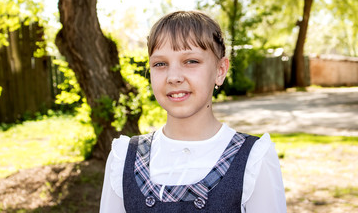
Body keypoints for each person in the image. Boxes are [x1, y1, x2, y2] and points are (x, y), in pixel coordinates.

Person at [100, 11, 286, 213]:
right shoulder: (123, 157)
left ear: (220, 70)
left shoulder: (254, 158)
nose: (174, 77)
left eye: (191, 61)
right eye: (160, 64)